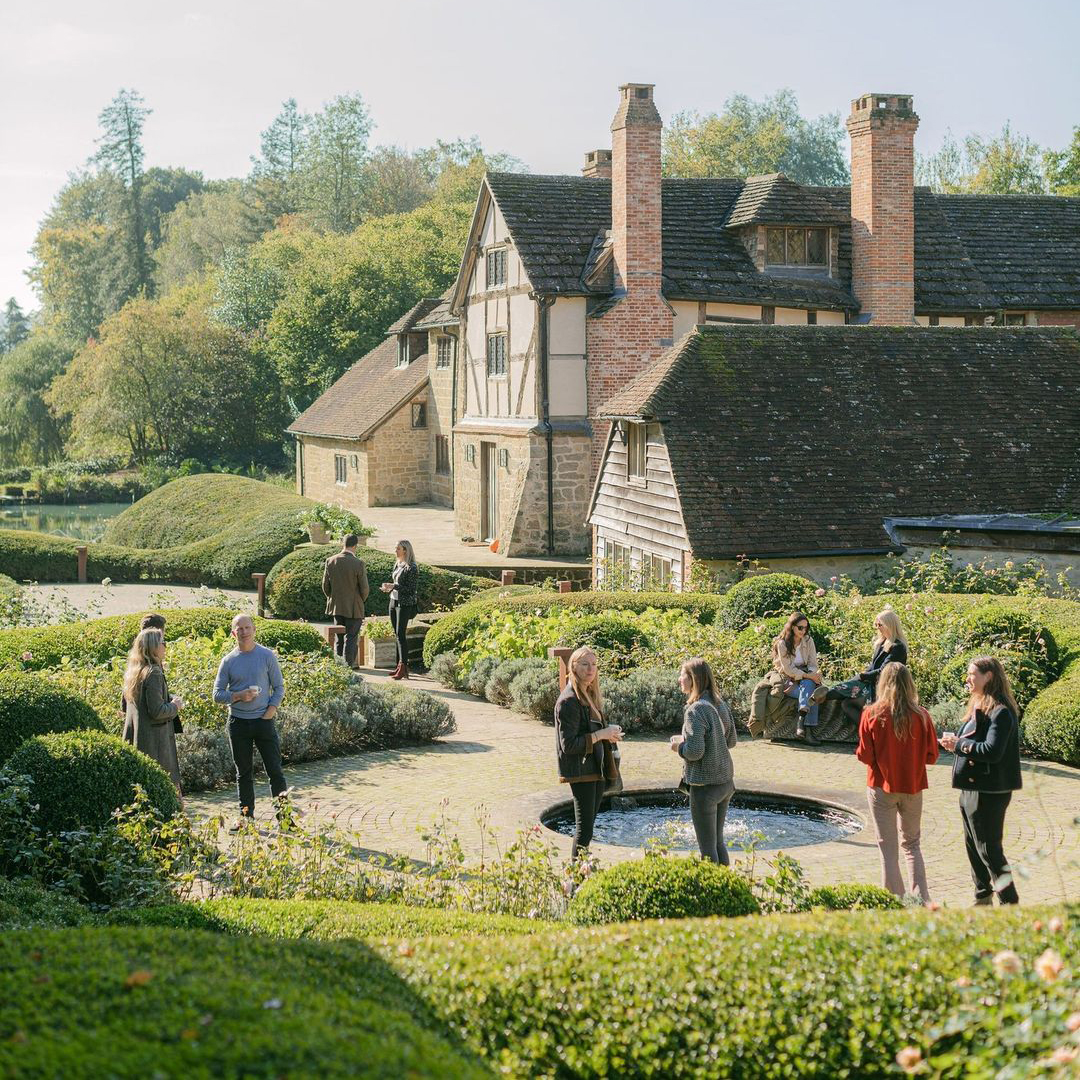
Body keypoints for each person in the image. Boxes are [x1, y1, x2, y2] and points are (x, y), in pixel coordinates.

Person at [939, 657, 1022, 906]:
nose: (968, 678)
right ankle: (982, 896)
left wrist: (959, 745)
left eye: (972, 674)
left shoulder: (1001, 711)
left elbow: (992, 751)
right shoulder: (980, 706)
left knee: (989, 849)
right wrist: (955, 744)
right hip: (972, 787)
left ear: (989, 677)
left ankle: (1010, 902)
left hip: (990, 790)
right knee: (973, 847)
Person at [855, 661, 938, 902]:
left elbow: (866, 756)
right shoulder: (922, 716)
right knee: (912, 845)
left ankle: (894, 900)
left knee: (887, 848)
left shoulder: (871, 714)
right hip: (913, 785)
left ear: (883, 683)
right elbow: (931, 756)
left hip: (881, 786)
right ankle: (922, 899)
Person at [212, 614, 287, 826]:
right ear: (233, 633)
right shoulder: (228, 661)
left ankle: (285, 818)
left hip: (264, 721)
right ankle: (246, 819)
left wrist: (271, 710)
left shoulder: (266, 656)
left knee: (275, 771)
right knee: (243, 773)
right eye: (239, 629)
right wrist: (237, 696)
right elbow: (217, 694)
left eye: (247, 627)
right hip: (238, 723)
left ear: (254, 630)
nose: (244, 632)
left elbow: (279, 687)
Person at [554, 646, 623, 859]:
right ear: (573, 668)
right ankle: (576, 880)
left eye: (593, 664)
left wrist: (608, 734)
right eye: (585, 664)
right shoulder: (568, 701)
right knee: (584, 831)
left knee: (588, 829)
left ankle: (579, 876)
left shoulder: (589, 694)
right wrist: (602, 734)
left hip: (596, 767)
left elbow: (590, 730)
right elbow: (569, 745)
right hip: (581, 771)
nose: (590, 669)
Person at [670, 657, 738, 865]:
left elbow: (695, 752)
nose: (679, 679)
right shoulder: (719, 704)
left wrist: (679, 746)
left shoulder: (696, 710)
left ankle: (713, 895)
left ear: (693, 679)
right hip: (725, 783)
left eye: (682, 674)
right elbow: (731, 741)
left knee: (707, 849)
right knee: (718, 843)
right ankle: (729, 890)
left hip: (704, 787)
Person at [121, 628, 183, 793]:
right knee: (167, 791)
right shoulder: (153, 673)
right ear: (153, 647)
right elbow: (157, 711)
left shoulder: (133, 672)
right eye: (163, 642)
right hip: (156, 744)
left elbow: (124, 707)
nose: (165, 646)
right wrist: (175, 706)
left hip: (137, 740)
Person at [820, 608, 909, 714]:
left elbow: (884, 672)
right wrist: (861, 676)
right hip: (872, 682)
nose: (877, 628)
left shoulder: (898, 647)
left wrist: (863, 676)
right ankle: (821, 696)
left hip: (884, 688)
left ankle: (823, 696)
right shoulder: (882, 642)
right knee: (846, 694)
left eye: (880, 625)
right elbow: (873, 666)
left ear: (889, 625)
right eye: (876, 625)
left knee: (847, 701)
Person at [771, 611, 823, 744]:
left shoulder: (808, 640)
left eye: (806, 628)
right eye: (800, 627)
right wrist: (808, 676)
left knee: (809, 687)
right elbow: (788, 669)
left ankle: (801, 721)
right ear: (792, 626)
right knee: (813, 694)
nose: (803, 631)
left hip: (805, 677)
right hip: (789, 679)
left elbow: (812, 663)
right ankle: (808, 734)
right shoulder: (782, 643)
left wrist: (813, 674)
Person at [322, 533, 370, 669]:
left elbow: (325, 586)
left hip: (337, 605)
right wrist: (361, 600)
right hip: (354, 606)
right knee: (352, 637)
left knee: (340, 638)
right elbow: (365, 588)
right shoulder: (358, 563)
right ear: (355, 545)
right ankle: (348, 667)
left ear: (343, 544)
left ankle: (338, 666)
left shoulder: (330, 561)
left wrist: (332, 598)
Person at [379, 540, 419, 680]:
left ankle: (403, 666)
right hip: (393, 601)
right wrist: (389, 588)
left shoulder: (411, 567)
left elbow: (411, 590)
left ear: (405, 551)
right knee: (396, 634)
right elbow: (397, 585)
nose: (395, 550)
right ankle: (399, 666)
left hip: (404, 604)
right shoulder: (398, 564)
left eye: (398, 548)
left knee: (401, 635)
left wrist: (394, 586)